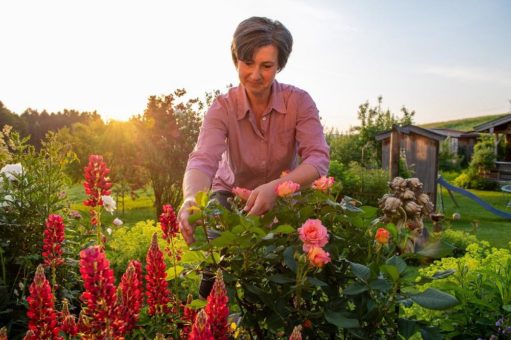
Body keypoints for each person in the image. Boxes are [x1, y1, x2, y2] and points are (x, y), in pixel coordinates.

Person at [178, 16, 329, 246]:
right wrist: (191, 198)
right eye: (247, 63)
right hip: (230, 195)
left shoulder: (299, 102)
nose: (255, 74)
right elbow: (202, 159)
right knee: (216, 266)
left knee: (284, 267)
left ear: (279, 65)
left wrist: (276, 188)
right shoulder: (222, 107)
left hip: (283, 196)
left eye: (266, 66)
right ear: (236, 61)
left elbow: (318, 160)